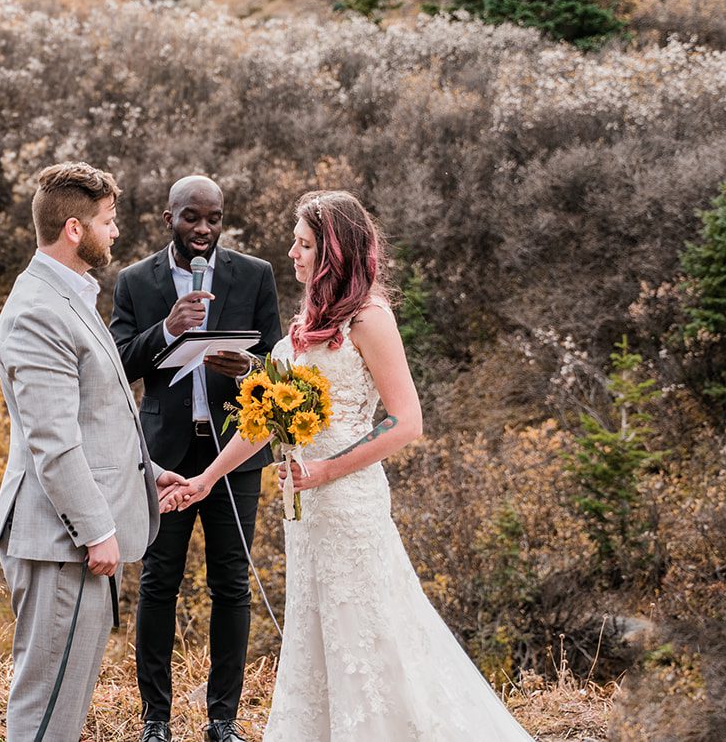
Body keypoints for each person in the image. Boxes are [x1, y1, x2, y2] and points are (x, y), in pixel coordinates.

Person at [165, 190, 536, 741]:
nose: (291, 253)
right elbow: (263, 419)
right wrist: (207, 478)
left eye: (304, 244)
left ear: (334, 252)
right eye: (294, 242)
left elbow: (406, 421)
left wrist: (326, 472)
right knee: (315, 630)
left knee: (371, 629)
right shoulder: (305, 321)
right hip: (303, 509)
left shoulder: (369, 318)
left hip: (349, 500)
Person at [0, 161, 187, 742]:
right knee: (47, 708)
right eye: (109, 220)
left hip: (76, 536)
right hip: (62, 543)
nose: (117, 232)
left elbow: (96, 417)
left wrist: (146, 473)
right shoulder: (37, 311)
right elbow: (52, 441)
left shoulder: (72, 295)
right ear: (74, 229)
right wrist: (96, 529)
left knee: (65, 702)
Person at [111, 175, 281, 742]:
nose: (203, 230)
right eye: (191, 218)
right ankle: (155, 720)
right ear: (168, 219)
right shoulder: (136, 281)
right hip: (166, 457)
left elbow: (279, 368)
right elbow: (117, 367)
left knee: (231, 583)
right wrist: (166, 329)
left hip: (236, 452)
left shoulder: (255, 274)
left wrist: (250, 369)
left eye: (213, 218)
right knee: (160, 581)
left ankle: (222, 721)